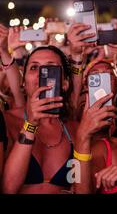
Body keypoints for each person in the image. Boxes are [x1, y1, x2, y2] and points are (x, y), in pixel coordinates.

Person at [2, 46, 78, 194]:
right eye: (34, 67)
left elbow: (81, 183)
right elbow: (8, 188)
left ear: (64, 83)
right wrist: (30, 125)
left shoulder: (75, 128)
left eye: (50, 68)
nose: (41, 75)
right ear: (23, 81)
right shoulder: (6, 122)